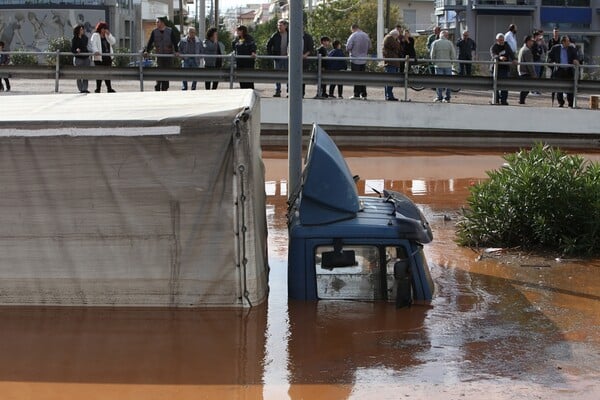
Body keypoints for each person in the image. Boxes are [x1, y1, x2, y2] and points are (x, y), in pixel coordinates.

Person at [144, 17, 179, 91]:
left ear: (162, 23)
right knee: (158, 71)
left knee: (166, 72)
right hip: (159, 55)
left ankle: (165, 88)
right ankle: (157, 85)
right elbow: (150, 42)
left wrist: (176, 51)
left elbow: (174, 42)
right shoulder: (154, 31)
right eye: (156, 22)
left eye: (158, 22)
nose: (156, 23)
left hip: (168, 56)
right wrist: (147, 51)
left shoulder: (170, 31)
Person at [547, 35, 580, 108]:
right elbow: (549, 57)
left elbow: (577, 58)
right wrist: (552, 63)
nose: (569, 42)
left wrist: (576, 60)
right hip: (559, 70)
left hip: (569, 70)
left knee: (570, 88)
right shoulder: (555, 48)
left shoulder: (572, 48)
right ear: (563, 42)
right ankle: (560, 102)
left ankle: (570, 103)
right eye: (568, 41)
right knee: (559, 87)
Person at [346, 23, 371, 99]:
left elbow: (348, 47)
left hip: (355, 59)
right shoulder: (366, 35)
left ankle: (356, 94)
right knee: (363, 77)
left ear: (353, 28)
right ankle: (364, 94)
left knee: (356, 77)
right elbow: (370, 47)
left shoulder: (353, 35)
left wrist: (351, 50)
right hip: (364, 60)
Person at [89, 21, 116, 93]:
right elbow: (93, 44)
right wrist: (96, 51)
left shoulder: (107, 36)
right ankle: (98, 88)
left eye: (105, 29)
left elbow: (113, 42)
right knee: (99, 74)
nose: (104, 30)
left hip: (107, 58)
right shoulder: (95, 35)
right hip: (99, 58)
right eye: (103, 29)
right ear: (100, 29)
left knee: (107, 73)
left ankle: (109, 88)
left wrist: (109, 34)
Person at [430, 30, 456, 103]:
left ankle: (439, 97)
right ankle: (447, 97)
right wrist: (452, 62)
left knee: (439, 81)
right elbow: (453, 54)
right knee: (448, 82)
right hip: (447, 65)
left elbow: (432, 54)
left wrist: (433, 62)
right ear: (446, 36)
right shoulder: (449, 43)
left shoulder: (435, 43)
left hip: (438, 65)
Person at [490, 33, 515, 105]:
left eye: (503, 40)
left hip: (504, 68)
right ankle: (496, 99)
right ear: (497, 40)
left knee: (504, 84)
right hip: (495, 69)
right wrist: (499, 57)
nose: (502, 41)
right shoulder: (494, 47)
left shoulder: (506, 45)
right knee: (495, 85)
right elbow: (493, 55)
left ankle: (504, 100)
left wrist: (514, 59)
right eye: (500, 40)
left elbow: (511, 53)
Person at [266, 19, 288, 97]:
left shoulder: (290, 34)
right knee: (277, 75)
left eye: (281, 25)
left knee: (288, 75)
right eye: (278, 25)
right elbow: (268, 45)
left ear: (285, 26)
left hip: (288, 58)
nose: (279, 27)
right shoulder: (275, 35)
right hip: (277, 58)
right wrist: (271, 55)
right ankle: (278, 91)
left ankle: (289, 91)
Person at [232, 25, 256, 89]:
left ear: (242, 31)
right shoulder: (237, 39)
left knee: (249, 79)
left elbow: (253, 46)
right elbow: (234, 46)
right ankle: (242, 90)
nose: (237, 32)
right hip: (240, 62)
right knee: (241, 78)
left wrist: (253, 52)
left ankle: (251, 92)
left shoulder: (249, 38)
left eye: (238, 30)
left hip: (248, 62)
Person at [382, 30, 401, 101]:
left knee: (390, 80)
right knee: (390, 80)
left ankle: (389, 95)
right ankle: (389, 95)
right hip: (391, 62)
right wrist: (398, 42)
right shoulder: (389, 38)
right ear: (395, 35)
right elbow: (397, 46)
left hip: (392, 62)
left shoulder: (389, 38)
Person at [71, 24, 90, 93]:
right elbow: (72, 49)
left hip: (85, 58)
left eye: (83, 29)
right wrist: (76, 50)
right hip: (78, 59)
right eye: (81, 29)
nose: (83, 30)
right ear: (78, 30)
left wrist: (80, 48)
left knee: (86, 74)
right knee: (78, 75)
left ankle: (85, 88)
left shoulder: (85, 38)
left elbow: (83, 46)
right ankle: (80, 89)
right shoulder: (74, 39)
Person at [518, 35, 536, 104]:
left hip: (522, 71)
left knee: (525, 87)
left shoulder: (522, 49)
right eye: (531, 41)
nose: (532, 43)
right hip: (525, 71)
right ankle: (521, 100)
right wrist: (533, 74)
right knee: (526, 88)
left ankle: (521, 100)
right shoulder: (527, 50)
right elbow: (530, 64)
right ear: (528, 41)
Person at [302, 29, 315, 97]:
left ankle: (302, 92)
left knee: (303, 76)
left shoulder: (308, 37)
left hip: (304, 60)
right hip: (294, 61)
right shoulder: (292, 35)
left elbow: (311, 49)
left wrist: (305, 55)